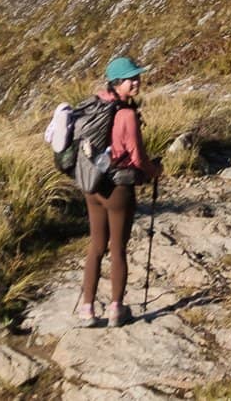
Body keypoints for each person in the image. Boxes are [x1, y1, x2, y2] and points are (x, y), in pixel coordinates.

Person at [76, 53, 158, 326]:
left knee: (96, 246)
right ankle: (116, 309)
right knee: (118, 248)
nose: (136, 82)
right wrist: (154, 171)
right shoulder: (126, 115)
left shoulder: (94, 105)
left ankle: (87, 309)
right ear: (117, 82)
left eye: (137, 77)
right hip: (118, 188)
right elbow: (137, 158)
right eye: (130, 79)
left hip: (92, 184)